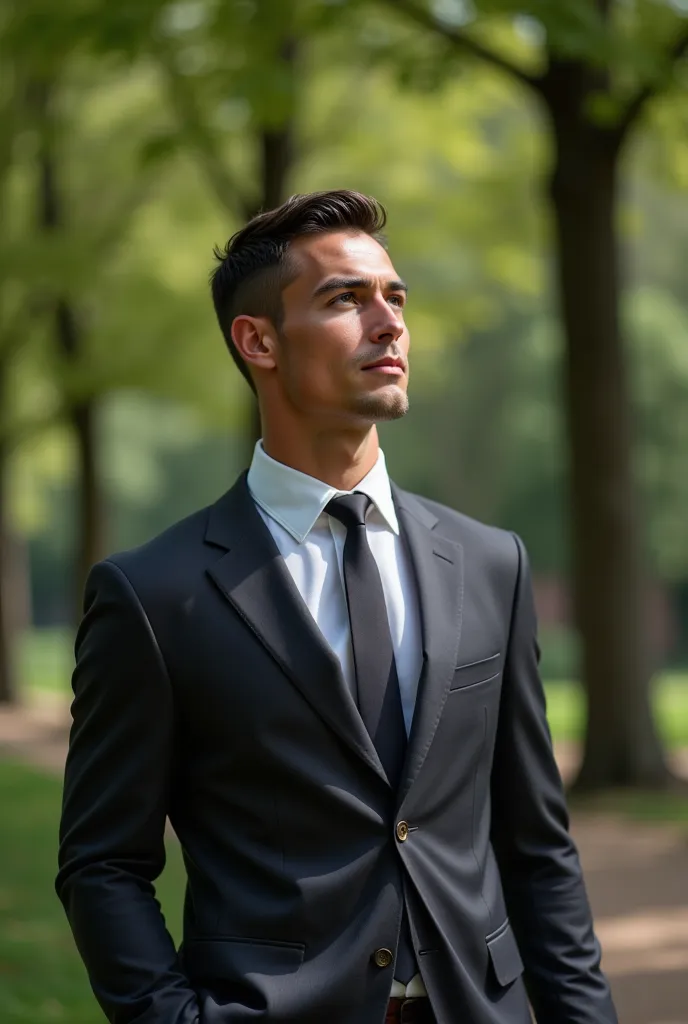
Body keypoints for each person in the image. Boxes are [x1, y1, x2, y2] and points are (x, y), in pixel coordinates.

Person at [56, 190, 618, 1024]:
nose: (388, 323)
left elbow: (536, 848)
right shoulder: (154, 595)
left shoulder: (491, 564)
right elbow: (103, 863)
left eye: (394, 297)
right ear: (258, 341)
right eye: (345, 299)